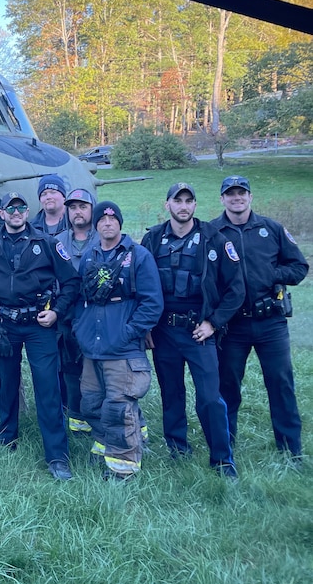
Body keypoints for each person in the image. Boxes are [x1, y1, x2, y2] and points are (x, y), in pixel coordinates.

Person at [0, 190, 80, 480]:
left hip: (39, 325)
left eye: (21, 208)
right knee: (8, 385)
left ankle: (57, 456)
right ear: (1, 213)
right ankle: (6, 439)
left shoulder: (46, 243)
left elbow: (71, 282)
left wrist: (56, 312)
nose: (16, 213)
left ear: (27, 212)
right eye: (10, 208)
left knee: (48, 388)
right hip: (4, 325)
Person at [141, 182, 244, 478]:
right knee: (171, 393)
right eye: (177, 200)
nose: (183, 206)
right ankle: (177, 450)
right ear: (167, 205)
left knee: (210, 396)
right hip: (163, 333)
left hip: (200, 332)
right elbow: (141, 285)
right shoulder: (152, 239)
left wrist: (213, 323)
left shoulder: (215, 239)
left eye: (189, 201)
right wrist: (146, 327)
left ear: (195, 205)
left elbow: (235, 289)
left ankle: (222, 459)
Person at [210, 175, 309, 463]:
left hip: (271, 322)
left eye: (241, 193)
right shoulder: (213, 232)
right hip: (233, 325)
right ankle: (225, 447)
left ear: (250, 197)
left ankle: (291, 450)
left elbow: (299, 267)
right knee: (227, 386)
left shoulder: (271, 229)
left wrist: (271, 275)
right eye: (230, 194)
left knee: (280, 384)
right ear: (222, 199)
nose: (236, 198)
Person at [73, 201, 163, 480]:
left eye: (113, 219)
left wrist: (128, 332)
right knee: (91, 404)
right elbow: (80, 299)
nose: (107, 223)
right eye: (102, 219)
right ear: (96, 224)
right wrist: (80, 328)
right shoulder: (89, 257)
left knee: (118, 407)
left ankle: (123, 467)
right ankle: (103, 448)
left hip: (122, 349)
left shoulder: (139, 256)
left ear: (119, 223)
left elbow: (152, 304)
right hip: (93, 347)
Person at [58, 187, 99, 434]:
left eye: (83, 206)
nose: (78, 212)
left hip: (97, 318)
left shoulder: (103, 237)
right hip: (67, 317)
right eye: (73, 207)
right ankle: (77, 422)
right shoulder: (58, 241)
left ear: (92, 210)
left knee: (98, 371)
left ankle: (101, 420)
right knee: (70, 370)